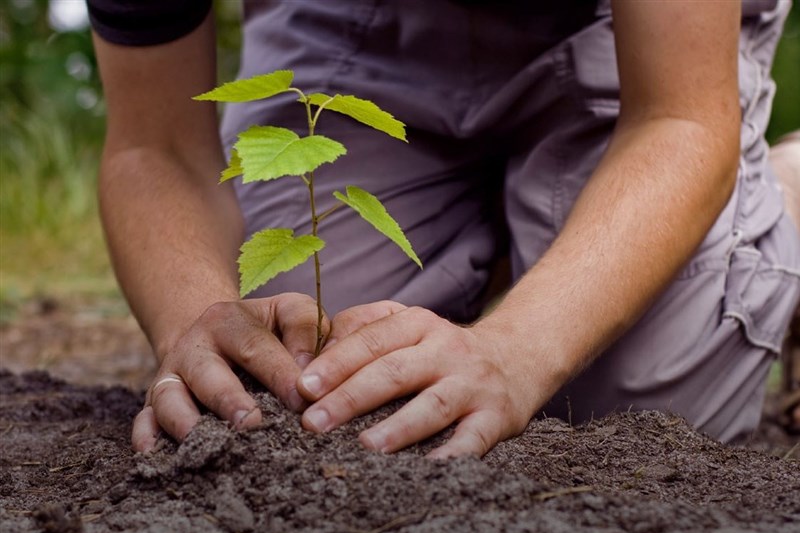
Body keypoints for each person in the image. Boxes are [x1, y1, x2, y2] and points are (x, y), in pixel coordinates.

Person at [88, 0, 800, 457]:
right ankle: (505, 228)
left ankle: (782, 190)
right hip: (355, 20)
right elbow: (156, 146)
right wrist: (195, 322)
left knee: (629, 412)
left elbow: (677, 116)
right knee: (304, 376)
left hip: (633, 32)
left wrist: (517, 350)